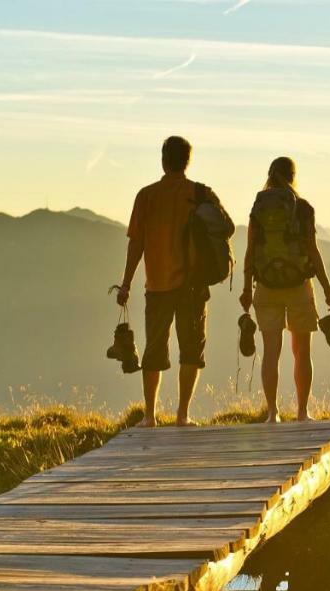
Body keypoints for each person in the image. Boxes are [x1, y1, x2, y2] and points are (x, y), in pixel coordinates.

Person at [115, 136, 223, 427]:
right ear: (188, 161)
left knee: (154, 349)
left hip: (158, 285)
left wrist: (126, 284)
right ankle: (182, 415)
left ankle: (150, 417)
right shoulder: (202, 194)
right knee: (191, 350)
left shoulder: (147, 196)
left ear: (163, 159)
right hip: (193, 285)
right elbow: (223, 229)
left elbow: (136, 244)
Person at [239, 157, 330, 423]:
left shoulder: (259, 206)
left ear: (269, 175)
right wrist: (327, 289)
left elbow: (250, 251)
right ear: (293, 176)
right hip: (298, 286)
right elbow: (312, 251)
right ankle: (303, 413)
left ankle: (272, 413)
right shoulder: (303, 208)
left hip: (266, 287)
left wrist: (247, 289)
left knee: (271, 351)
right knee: (301, 351)